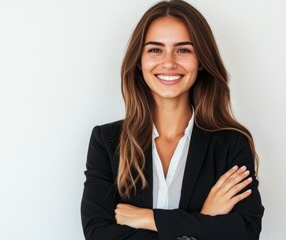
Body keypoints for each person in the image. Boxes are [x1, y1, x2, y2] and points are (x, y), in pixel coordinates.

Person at [80, 1, 264, 240]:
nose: (168, 62)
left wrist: (149, 218)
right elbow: (99, 234)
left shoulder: (230, 144)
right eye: (155, 49)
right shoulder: (107, 141)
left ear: (201, 62)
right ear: (139, 61)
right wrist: (205, 219)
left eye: (183, 50)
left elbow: (245, 233)